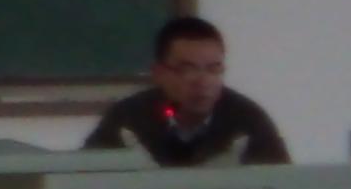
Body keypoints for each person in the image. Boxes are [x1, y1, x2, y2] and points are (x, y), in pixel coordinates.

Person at [83, 16, 290, 167]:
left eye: (213, 69)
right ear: (159, 73)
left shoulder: (248, 121)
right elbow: (85, 182)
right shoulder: (127, 119)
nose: (203, 81)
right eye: (187, 69)